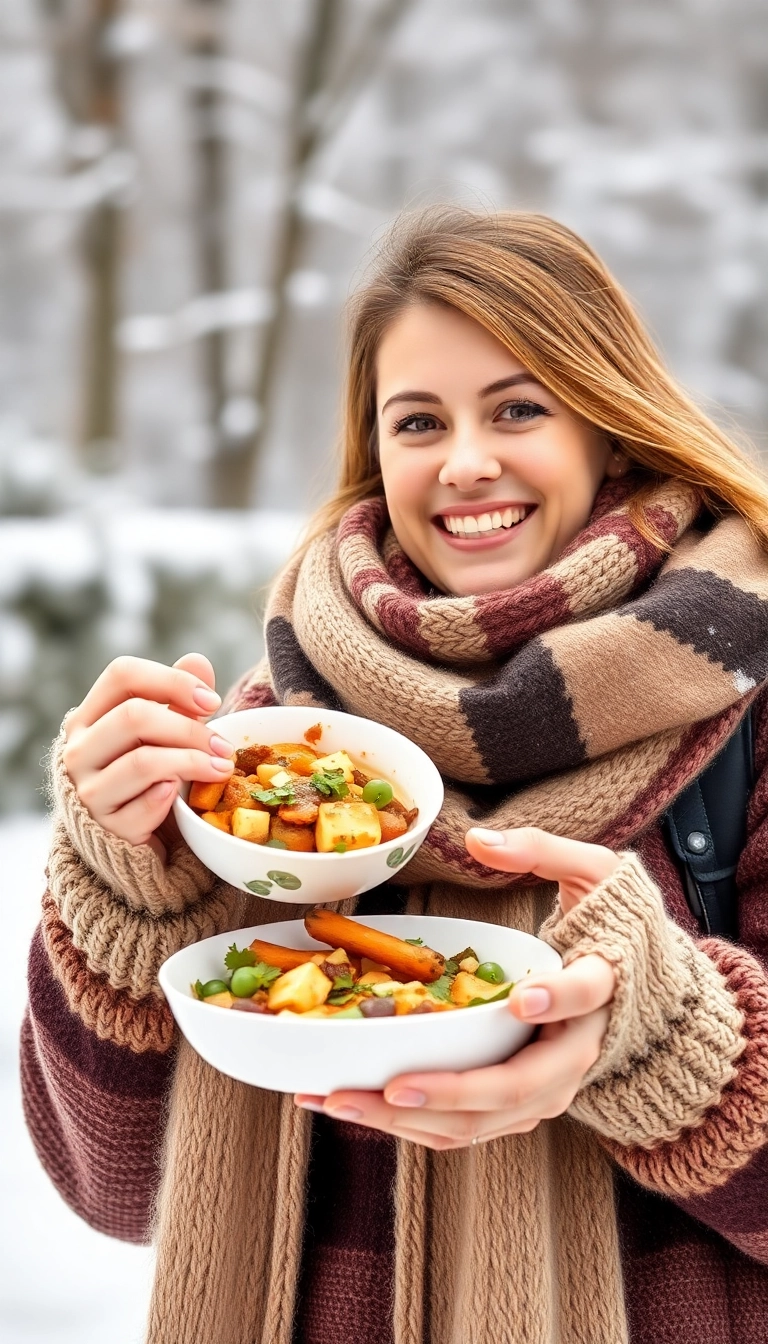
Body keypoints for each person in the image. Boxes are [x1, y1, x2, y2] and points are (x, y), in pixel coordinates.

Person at [21, 206, 768, 1344]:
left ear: (607, 431)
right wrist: (121, 885)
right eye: (418, 421)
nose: (465, 463)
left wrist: (662, 1038)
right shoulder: (281, 755)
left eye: (518, 407)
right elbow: (114, 1191)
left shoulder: (741, 709)